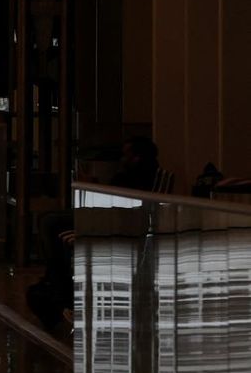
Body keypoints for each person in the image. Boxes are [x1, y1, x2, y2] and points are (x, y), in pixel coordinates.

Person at [29, 137, 161, 330]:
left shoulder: (133, 178)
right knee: (51, 223)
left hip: (108, 220)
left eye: (126, 155)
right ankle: (57, 284)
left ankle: (58, 287)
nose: (122, 159)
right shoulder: (139, 176)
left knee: (51, 223)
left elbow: (120, 207)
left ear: (136, 158)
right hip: (108, 217)